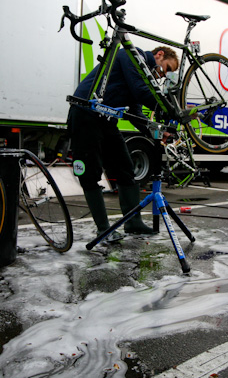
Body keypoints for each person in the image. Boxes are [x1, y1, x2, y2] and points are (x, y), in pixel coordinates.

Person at [68, 46, 179, 239]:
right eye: (166, 68)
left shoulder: (142, 74)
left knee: (126, 169)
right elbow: (141, 90)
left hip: (106, 118)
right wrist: (169, 108)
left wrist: (156, 132)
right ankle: (104, 229)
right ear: (159, 55)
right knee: (90, 173)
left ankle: (133, 222)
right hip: (85, 113)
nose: (163, 75)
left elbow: (135, 113)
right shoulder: (130, 55)